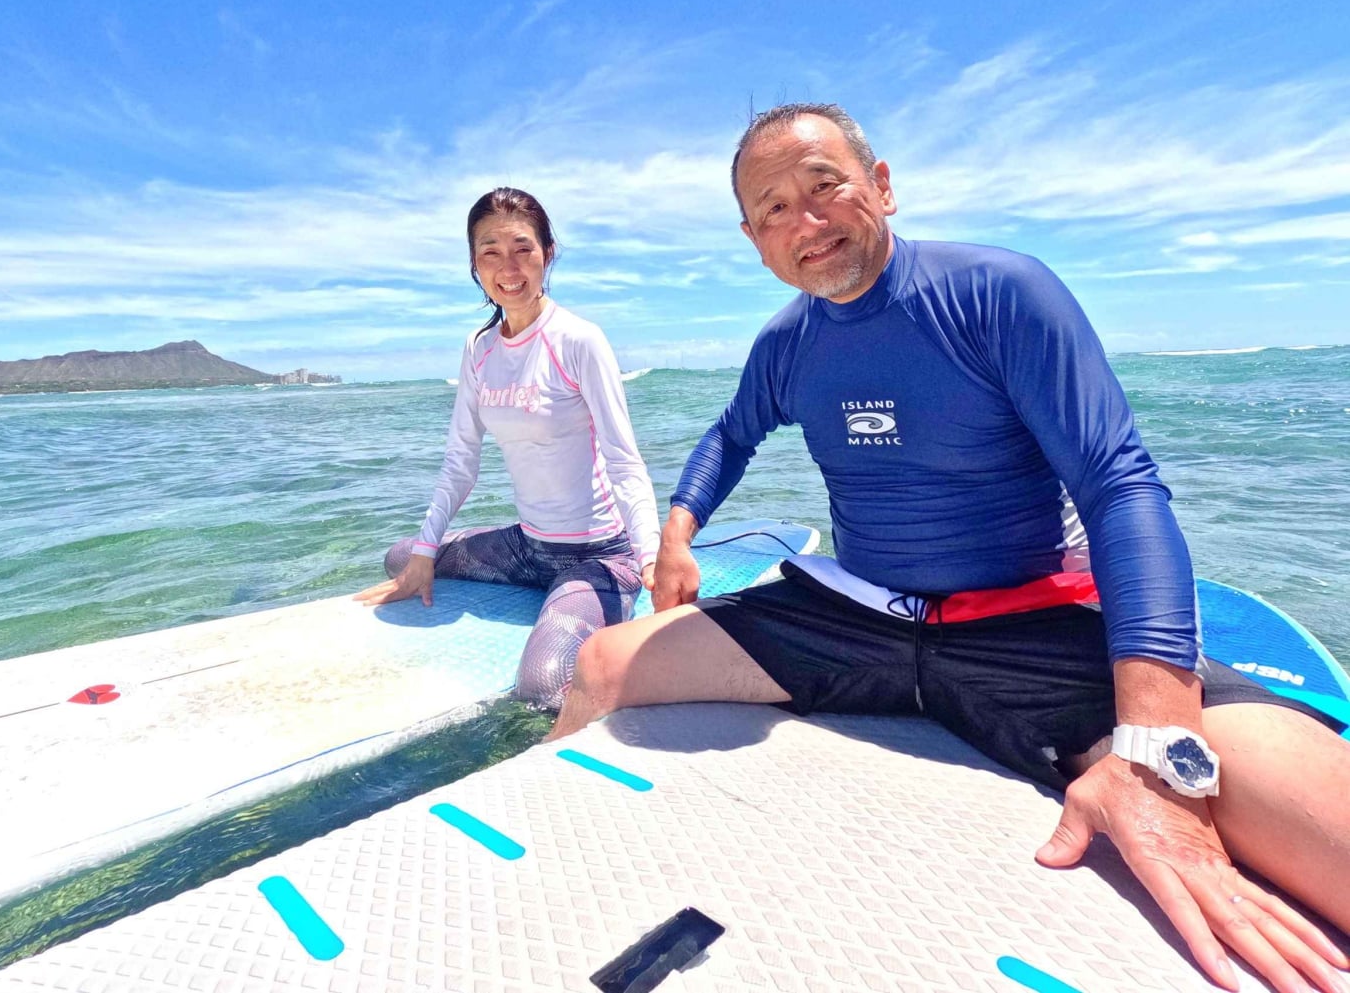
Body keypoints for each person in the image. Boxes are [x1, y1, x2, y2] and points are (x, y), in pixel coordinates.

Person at [547, 104, 1350, 993]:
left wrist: (1155, 749)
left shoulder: (1000, 294)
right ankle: (563, 891)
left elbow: (1119, 486)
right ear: (752, 239)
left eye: (824, 187)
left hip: (1029, 622)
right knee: (606, 662)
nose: (803, 223)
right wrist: (678, 530)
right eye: (772, 209)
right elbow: (730, 434)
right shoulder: (786, 343)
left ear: (881, 185)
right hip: (861, 615)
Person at [355, 187, 660, 711]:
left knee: (543, 685)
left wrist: (652, 560)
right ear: (475, 265)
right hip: (526, 547)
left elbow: (624, 462)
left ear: (547, 252)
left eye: (523, 247)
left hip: (597, 555)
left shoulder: (577, 340)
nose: (508, 266)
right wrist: (427, 553)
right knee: (401, 557)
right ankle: (527, 587)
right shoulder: (480, 349)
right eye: (490, 251)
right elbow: (460, 461)